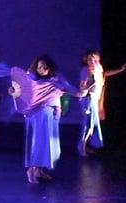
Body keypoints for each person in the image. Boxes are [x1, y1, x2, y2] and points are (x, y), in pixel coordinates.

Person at [10, 55, 87, 184]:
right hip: (39, 115)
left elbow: (75, 92)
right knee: (39, 142)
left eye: (45, 67)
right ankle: (32, 169)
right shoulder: (32, 79)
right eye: (39, 67)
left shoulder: (57, 79)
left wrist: (83, 91)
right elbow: (19, 89)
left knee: (48, 144)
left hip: (52, 115)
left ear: (50, 67)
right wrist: (13, 91)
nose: (42, 69)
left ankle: (40, 170)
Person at [77, 50, 126, 156]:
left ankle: (86, 146)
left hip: (94, 100)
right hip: (88, 99)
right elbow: (82, 87)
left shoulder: (98, 69)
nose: (91, 60)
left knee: (93, 125)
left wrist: (120, 70)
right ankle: (81, 147)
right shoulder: (85, 70)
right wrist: (90, 83)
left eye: (93, 58)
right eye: (89, 58)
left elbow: (106, 73)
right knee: (89, 125)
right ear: (86, 60)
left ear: (97, 58)